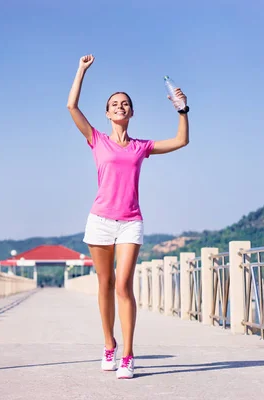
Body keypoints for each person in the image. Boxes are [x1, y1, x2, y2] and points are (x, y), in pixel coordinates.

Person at [66, 54, 189, 379]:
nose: (120, 106)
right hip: (100, 221)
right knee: (104, 285)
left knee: (123, 285)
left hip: (131, 221)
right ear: (107, 113)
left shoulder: (140, 147)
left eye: (125, 104)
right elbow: (71, 108)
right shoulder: (97, 140)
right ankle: (109, 344)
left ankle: (128, 355)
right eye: (115, 104)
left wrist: (182, 110)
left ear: (131, 112)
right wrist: (81, 70)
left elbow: (181, 140)